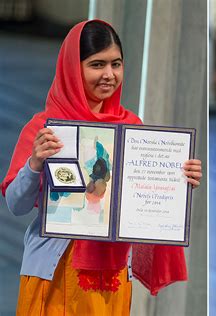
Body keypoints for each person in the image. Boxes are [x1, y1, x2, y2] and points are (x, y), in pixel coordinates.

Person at [1, 20, 202, 315]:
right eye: (97, 64)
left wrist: (177, 181)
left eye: (116, 64)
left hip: (112, 280)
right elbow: (16, 205)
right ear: (73, 67)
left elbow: (141, 206)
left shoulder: (133, 129)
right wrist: (34, 164)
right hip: (53, 276)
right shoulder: (44, 129)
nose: (109, 75)